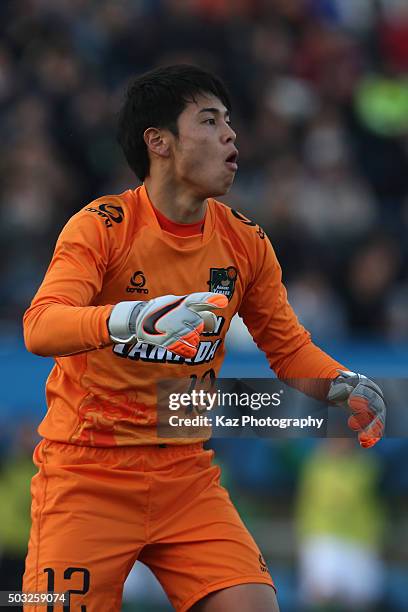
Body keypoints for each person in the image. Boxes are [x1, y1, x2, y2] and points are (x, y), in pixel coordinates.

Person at [22, 64, 385, 612]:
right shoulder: (101, 226)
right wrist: (125, 319)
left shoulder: (245, 242)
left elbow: (287, 349)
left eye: (230, 123)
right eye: (210, 121)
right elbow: (41, 325)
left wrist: (344, 387)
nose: (230, 135)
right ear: (159, 142)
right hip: (86, 471)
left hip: (185, 474)